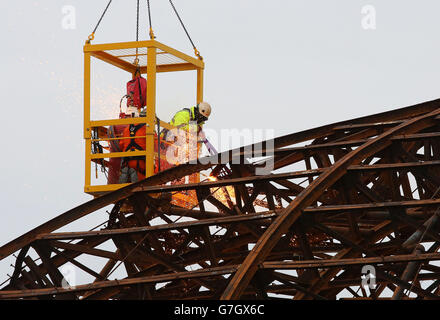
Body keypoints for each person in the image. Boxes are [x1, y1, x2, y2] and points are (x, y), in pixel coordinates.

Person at [118, 106, 147, 183]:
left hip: (127, 162)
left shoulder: (126, 129)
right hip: (141, 164)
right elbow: (155, 145)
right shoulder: (147, 129)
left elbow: (121, 145)